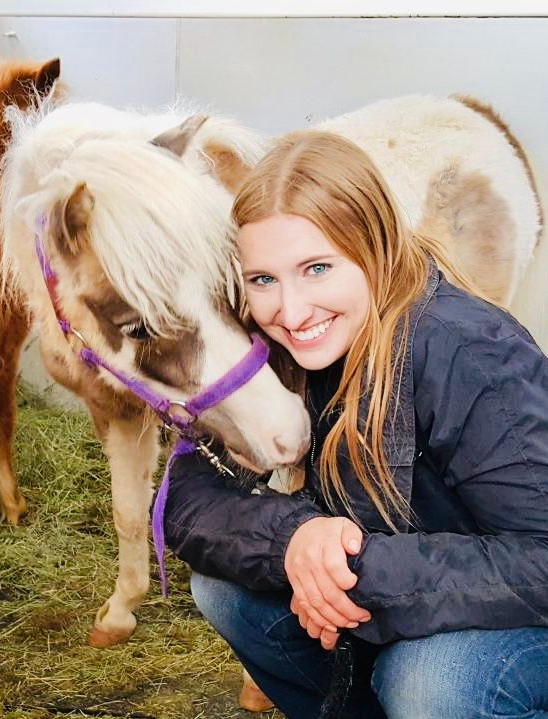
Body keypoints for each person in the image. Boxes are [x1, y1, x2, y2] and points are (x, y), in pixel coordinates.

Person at [164, 131, 548, 719]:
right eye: (263, 279)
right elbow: (185, 496)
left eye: (317, 268)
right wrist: (292, 537)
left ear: (375, 247)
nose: (291, 312)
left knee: (428, 681)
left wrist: (348, 567)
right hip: (400, 592)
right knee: (225, 590)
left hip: (520, 616)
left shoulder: (469, 352)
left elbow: (540, 560)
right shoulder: (273, 345)